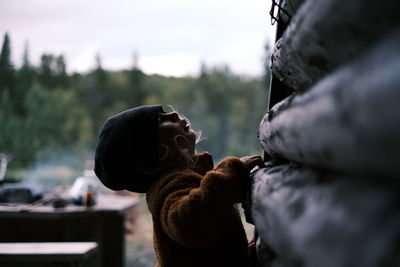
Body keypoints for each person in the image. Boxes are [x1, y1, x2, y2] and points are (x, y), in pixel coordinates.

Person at [94, 104, 263, 267]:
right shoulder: (168, 185)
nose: (174, 114)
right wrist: (231, 171)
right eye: (161, 120)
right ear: (154, 155)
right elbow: (189, 224)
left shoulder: (184, 179)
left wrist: (239, 254)